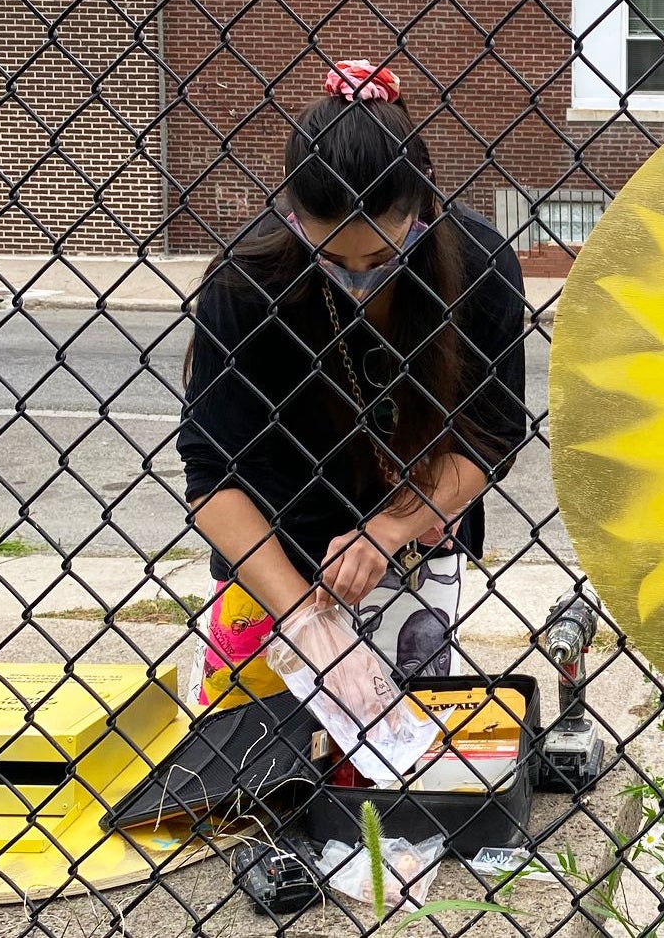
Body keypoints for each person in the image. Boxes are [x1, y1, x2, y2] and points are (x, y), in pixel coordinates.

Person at [179, 60, 527, 709]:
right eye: (331, 259)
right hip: (269, 550)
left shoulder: (479, 263)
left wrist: (387, 530)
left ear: (421, 210)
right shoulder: (245, 277)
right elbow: (210, 473)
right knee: (249, 777)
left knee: (390, 766)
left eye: (382, 258)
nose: (358, 279)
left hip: (412, 543)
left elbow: (495, 435)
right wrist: (302, 617)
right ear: (294, 217)